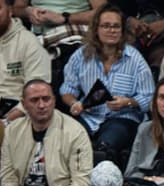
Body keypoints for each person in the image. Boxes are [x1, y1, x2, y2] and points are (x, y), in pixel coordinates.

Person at [59, 4, 155, 166]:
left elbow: (149, 96)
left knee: (105, 148)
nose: (111, 30)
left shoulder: (135, 59)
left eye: (116, 26)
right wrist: (74, 103)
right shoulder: (81, 56)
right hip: (88, 117)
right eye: (106, 26)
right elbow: (67, 89)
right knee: (68, 140)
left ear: (122, 31)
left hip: (122, 118)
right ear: (96, 29)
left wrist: (128, 102)